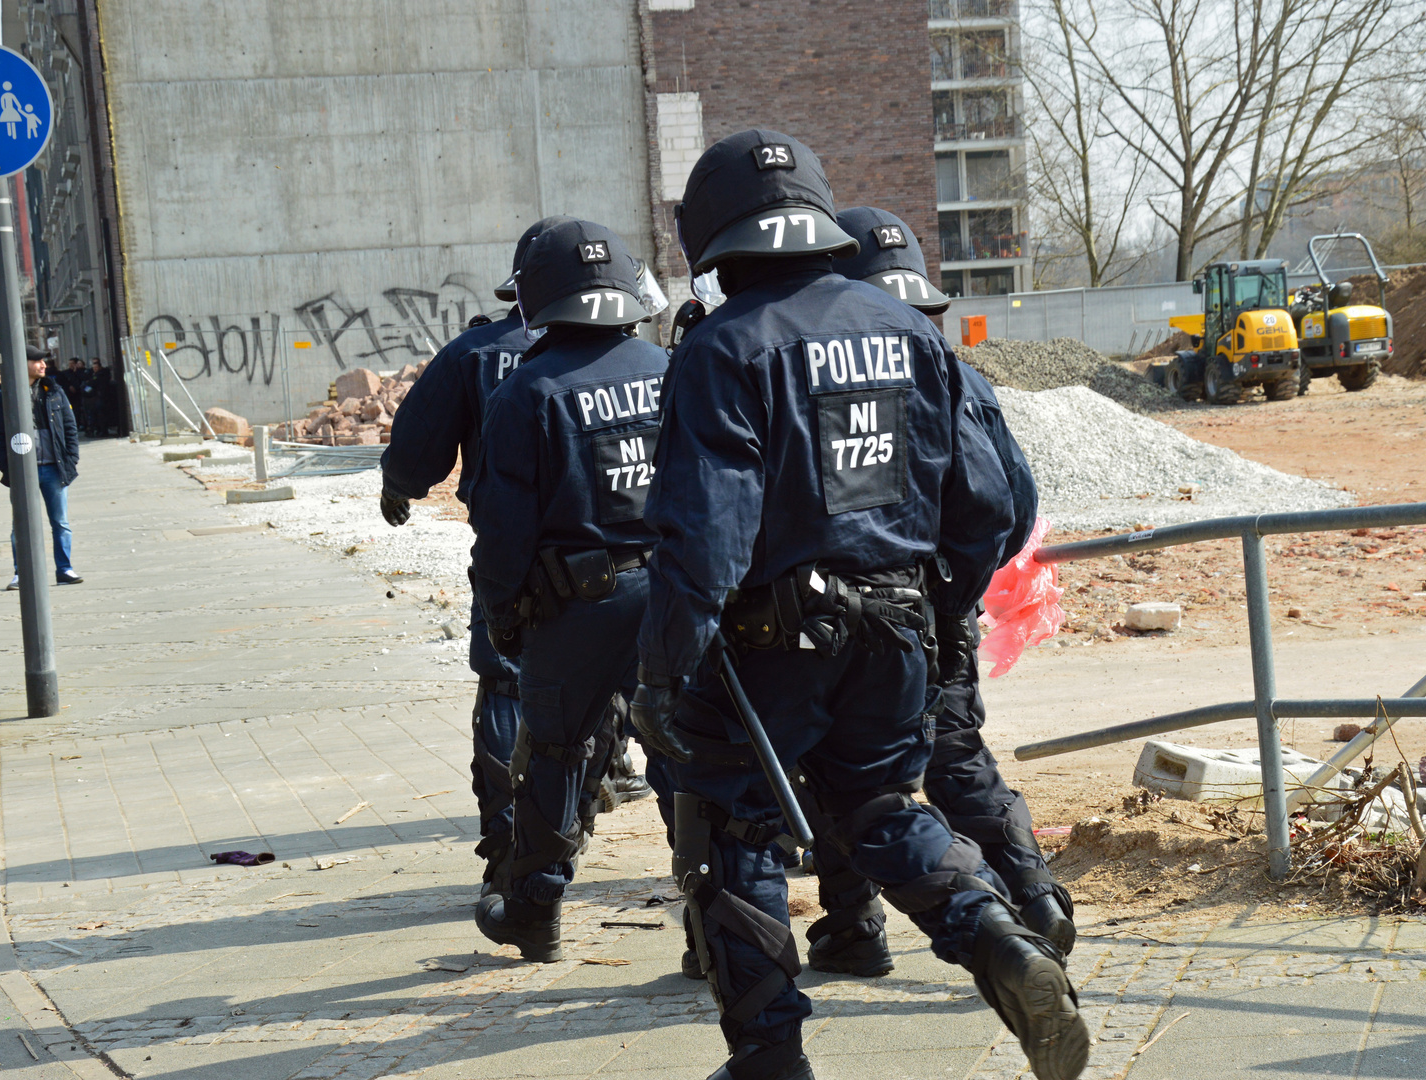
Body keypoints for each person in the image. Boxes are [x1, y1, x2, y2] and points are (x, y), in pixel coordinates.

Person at [629, 131, 1089, 1080]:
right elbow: (991, 505)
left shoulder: (722, 349)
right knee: (881, 804)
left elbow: (706, 536)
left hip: (770, 646)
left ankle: (769, 1060)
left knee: (734, 833)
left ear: (717, 239)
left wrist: (664, 668)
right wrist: (936, 602)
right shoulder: (911, 331)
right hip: (898, 629)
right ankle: (999, 941)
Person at [778, 207, 1074, 977]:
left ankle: (856, 927)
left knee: (841, 768)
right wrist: (952, 592)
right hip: (935, 613)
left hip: (855, 615)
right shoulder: (963, 378)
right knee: (953, 755)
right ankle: (1033, 897)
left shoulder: (820, 380)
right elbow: (1009, 504)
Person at [380, 217, 651, 900]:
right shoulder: (652, 362)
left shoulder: (479, 355)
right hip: (653, 571)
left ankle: (514, 848)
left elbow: (420, 448)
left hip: (534, 572)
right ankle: (706, 890)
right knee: (659, 707)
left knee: (510, 688)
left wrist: (400, 487)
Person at [468, 219, 670, 962]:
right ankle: (717, 925)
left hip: (580, 610)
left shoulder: (529, 392)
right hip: (674, 592)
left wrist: (503, 620)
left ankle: (536, 910)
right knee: (682, 749)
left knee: (554, 750)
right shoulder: (666, 367)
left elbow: (501, 534)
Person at [0, 348, 83, 589]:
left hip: (54, 468)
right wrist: (6, 466)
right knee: (20, 524)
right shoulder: (7, 395)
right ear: (24, 364)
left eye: (44, 361)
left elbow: (70, 427)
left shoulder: (54, 390)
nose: (43, 365)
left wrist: (71, 458)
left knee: (60, 522)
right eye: (37, 361)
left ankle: (64, 570)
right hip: (23, 471)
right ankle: (22, 573)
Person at [84, 359, 112, 437]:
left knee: (100, 414)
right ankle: (99, 429)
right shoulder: (94, 375)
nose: (95, 369)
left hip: (100, 397)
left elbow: (93, 383)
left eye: (96, 367)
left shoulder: (100, 375)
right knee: (97, 414)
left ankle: (102, 430)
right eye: (93, 368)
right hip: (96, 397)